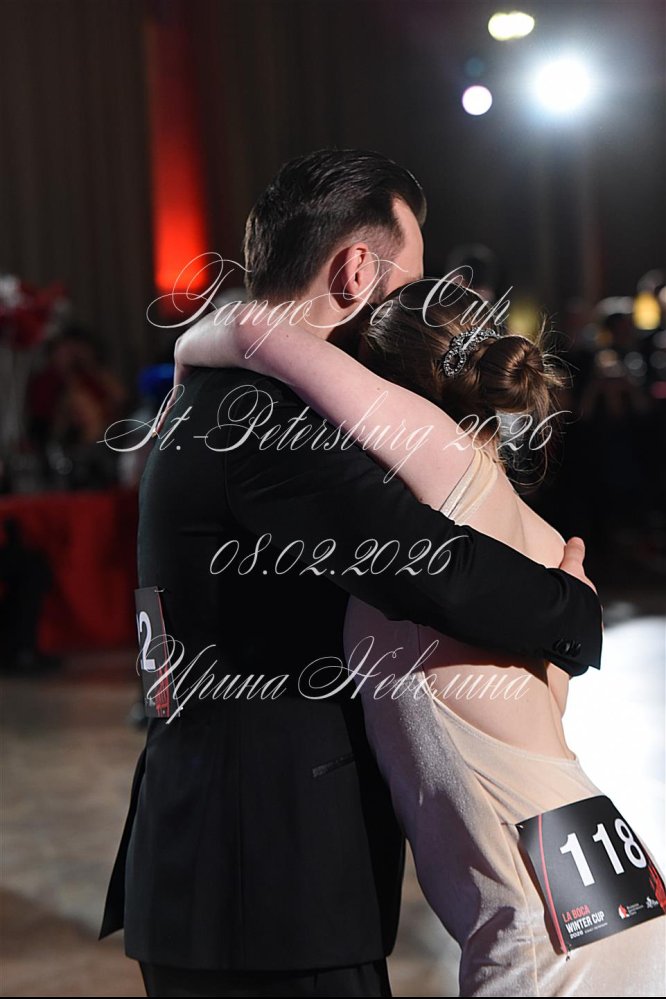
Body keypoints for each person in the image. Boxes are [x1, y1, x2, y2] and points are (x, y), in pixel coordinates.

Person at [98, 149, 602, 998]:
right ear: (357, 269)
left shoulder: (224, 394)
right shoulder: (264, 419)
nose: (413, 307)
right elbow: (435, 568)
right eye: (410, 281)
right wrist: (574, 604)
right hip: (264, 891)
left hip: (244, 876)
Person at [172, 275, 665, 996]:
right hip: (614, 887)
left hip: (544, 923)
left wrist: (186, 354)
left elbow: (254, 334)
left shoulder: (441, 457)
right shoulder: (541, 539)